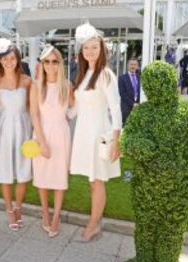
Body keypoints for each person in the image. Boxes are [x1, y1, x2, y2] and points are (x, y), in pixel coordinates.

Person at [70, 23, 122, 242]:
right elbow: (75, 110)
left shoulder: (106, 74)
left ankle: (93, 225)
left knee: (97, 180)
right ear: (81, 51)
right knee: (92, 181)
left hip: (99, 134)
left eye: (94, 47)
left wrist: (117, 142)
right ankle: (95, 220)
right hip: (84, 133)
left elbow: (116, 108)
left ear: (101, 50)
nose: (90, 51)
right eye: (86, 47)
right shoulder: (85, 74)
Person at [30, 44, 73, 238]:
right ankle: (45, 214)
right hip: (41, 135)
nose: (50, 65)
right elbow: (34, 115)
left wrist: (68, 115)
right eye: (46, 61)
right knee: (42, 177)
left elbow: (75, 109)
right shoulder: (36, 85)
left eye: (54, 61)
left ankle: (56, 216)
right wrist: (42, 143)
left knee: (59, 177)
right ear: (42, 63)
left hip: (61, 135)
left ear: (60, 63)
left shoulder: (67, 85)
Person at [0, 38, 32, 231]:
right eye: (4, 59)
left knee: (23, 171)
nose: (8, 62)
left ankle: (18, 207)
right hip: (4, 128)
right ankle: (8, 210)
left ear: (18, 59)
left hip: (24, 127)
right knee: (5, 170)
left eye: (12, 58)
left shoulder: (27, 80)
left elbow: (32, 108)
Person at [118, 58, 140, 126]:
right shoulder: (122, 78)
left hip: (138, 107)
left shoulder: (140, 78)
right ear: (128, 65)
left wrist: (138, 104)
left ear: (137, 66)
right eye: (131, 64)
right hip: (126, 108)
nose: (133, 66)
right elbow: (122, 94)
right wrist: (133, 104)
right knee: (126, 127)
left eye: (135, 64)